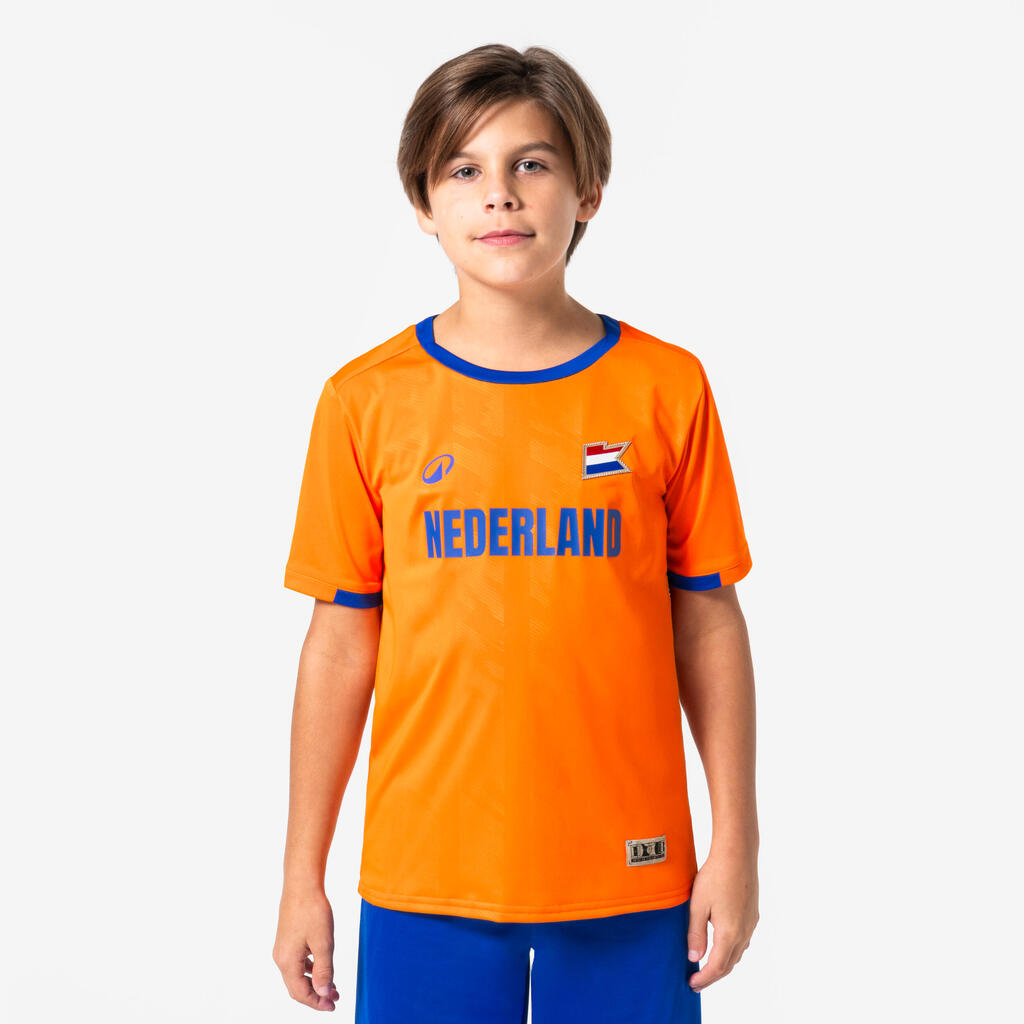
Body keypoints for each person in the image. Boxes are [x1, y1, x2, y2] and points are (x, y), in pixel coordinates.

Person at [272, 43, 759, 1022]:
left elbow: (707, 621)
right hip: (427, 876)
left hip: (631, 872)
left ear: (588, 192)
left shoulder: (664, 388)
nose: (498, 193)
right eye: (464, 169)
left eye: (531, 163)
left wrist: (736, 844)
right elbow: (340, 641)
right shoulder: (366, 402)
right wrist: (301, 876)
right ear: (424, 203)